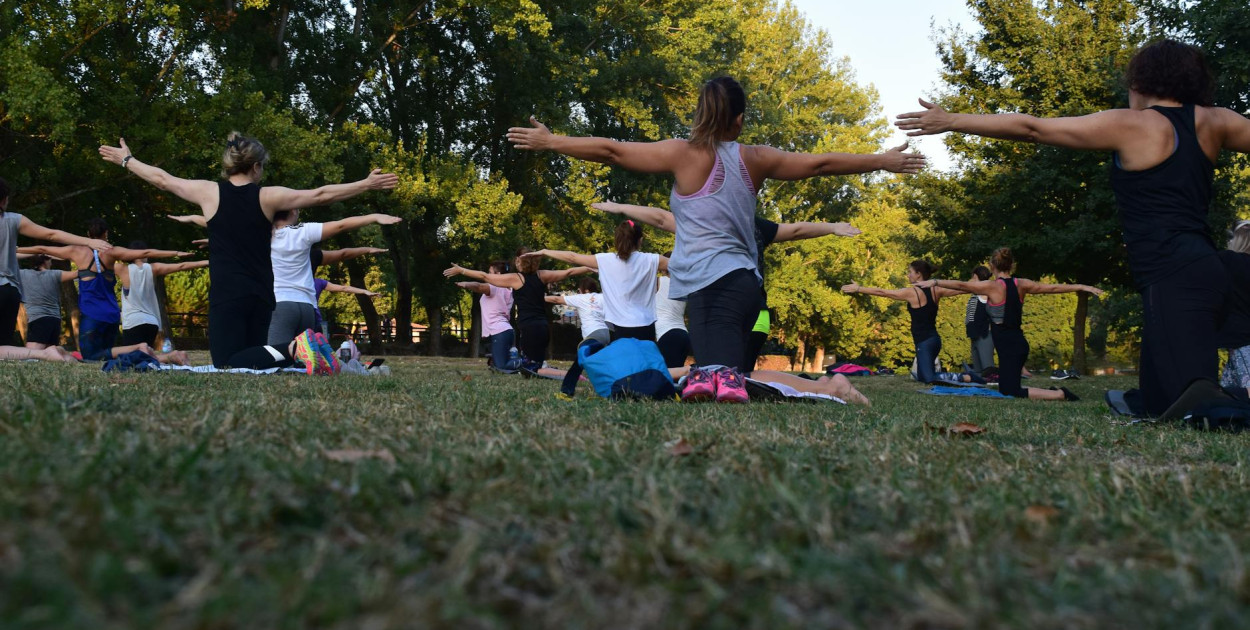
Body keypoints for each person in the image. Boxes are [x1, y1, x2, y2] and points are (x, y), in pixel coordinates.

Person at [509, 75, 923, 403]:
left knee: (724, 379)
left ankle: (827, 388)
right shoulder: (755, 158)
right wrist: (881, 161)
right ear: (739, 119)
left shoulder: (683, 154)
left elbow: (613, 151)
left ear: (700, 114)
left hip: (714, 287)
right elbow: (820, 163)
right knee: (720, 377)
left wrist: (552, 142)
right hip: (743, 285)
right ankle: (823, 387)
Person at [897, 39, 1250, 416]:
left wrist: (952, 120)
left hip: (1175, 278)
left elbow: (1033, 128)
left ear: (1141, 82)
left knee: (1195, 404)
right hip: (1203, 270)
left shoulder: (1133, 124)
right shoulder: (1217, 120)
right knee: (1157, 401)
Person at [99, 133, 398, 370]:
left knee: (227, 361)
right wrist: (365, 184)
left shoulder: (208, 192)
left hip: (229, 293)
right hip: (262, 294)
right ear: (256, 167)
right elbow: (320, 195)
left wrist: (128, 160)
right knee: (256, 361)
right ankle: (310, 353)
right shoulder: (268, 196)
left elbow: (162, 180)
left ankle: (298, 348)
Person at [592, 200, 863, 370]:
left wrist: (622, 208)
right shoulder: (757, 226)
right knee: (739, 373)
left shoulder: (707, 224)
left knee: (721, 372)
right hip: (758, 310)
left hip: (722, 306)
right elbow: (795, 230)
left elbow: (663, 219)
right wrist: (831, 226)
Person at [915, 247, 1104, 401]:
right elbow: (1052, 288)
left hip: (1010, 346)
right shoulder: (1021, 283)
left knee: (1011, 391)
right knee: (1007, 387)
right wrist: (1081, 286)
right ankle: (1054, 391)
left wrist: (935, 281)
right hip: (1015, 344)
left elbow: (963, 285)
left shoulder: (992, 286)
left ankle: (1061, 394)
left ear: (991, 265)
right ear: (1011, 265)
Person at [19, 219, 192, 363]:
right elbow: (145, 252)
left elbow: (42, 249)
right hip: (111, 314)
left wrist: (16, 250)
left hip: (92, 315)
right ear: (106, 234)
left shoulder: (76, 250)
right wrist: (176, 252)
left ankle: (140, 349)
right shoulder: (112, 252)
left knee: (91, 357)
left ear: (88, 235)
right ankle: (160, 355)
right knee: (108, 355)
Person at [0, 177, 108, 361]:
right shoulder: (13, 220)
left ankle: (44, 354)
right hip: (10, 291)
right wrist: (89, 241)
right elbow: (52, 234)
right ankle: (50, 353)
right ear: (4, 200)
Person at [444, 248, 592, 373]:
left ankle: (560, 373)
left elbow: (484, 276)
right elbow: (569, 272)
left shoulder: (516, 279)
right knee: (536, 366)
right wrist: (591, 267)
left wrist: (461, 270)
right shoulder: (543, 275)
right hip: (543, 327)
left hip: (529, 328)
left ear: (519, 261)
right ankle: (550, 370)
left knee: (530, 368)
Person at [521, 220, 668, 341]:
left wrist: (545, 251)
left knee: (625, 368)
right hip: (646, 324)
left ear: (617, 239)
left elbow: (572, 257)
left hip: (620, 326)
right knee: (645, 367)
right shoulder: (653, 260)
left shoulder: (605, 260)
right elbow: (682, 264)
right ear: (640, 240)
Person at [842, 260, 960, 384]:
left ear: (918, 274)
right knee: (921, 377)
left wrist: (859, 288)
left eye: (910, 272)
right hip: (934, 340)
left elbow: (883, 292)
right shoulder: (936, 290)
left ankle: (967, 377)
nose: (908, 275)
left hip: (925, 343)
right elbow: (961, 289)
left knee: (928, 379)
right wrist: (975, 286)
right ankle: (961, 376)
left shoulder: (912, 292)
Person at [117, 241, 208, 351]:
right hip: (152, 322)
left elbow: (104, 258)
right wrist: (207, 261)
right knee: (146, 357)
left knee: (132, 359)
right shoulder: (154, 268)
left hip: (133, 321)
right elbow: (181, 266)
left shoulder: (123, 269)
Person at [545, 277, 610, 397]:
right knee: (601, 363)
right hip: (606, 334)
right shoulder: (603, 297)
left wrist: (537, 297)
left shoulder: (580, 298)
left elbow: (556, 299)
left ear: (581, 290)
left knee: (579, 360)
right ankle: (612, 389)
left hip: (593, 335)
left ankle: (566, 391)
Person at [454, 261, 519, 373]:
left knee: (501, 367)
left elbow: (479, 287)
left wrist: (466, 284)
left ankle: (527, 362)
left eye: (490, 272)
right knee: (496, 365)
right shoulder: (509, 289)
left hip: (499, 331)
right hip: (505, 330)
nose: (488, 275)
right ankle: (516, 359)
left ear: (498, 274)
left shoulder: (495, 288)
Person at [1218, 220, 1250, 398]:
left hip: (1241, 340)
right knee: (1229, 392)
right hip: (1240, 341)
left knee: (1229, 393)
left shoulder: (1227, 260)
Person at [18, 254, 77, 351]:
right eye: (50, 259)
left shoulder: (23, 274)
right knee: (49, 355)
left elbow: (6, 258)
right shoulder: (55, 274)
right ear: (45, 261)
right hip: (55, 320)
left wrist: (31, 253)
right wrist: (67, 256)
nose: (51, 262)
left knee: (32, 356)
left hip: (38, 319)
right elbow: (80, 272)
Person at [654, 252, 690, 369]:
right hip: (684, 334)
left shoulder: (658, 281)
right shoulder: (685, 286)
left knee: (666, 375)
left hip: (666, 334)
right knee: (676, 376)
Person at [964, 265, 996, 374]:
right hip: (974, 334)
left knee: (987, 367)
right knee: (978, 369)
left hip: (984, 334)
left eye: (973, 278)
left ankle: (993, 383)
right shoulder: (976, 293)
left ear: (977, 277)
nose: (971, 281)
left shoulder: (985, 293)